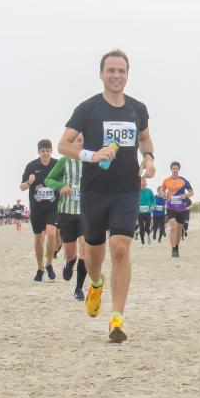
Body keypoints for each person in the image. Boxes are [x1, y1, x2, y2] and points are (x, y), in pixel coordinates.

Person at [58, 49, 155, 343]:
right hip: (95, 192)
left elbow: (145, 139)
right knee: (93, 255)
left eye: (121, 71)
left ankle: (117, 319)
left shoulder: (137, 108)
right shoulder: (88, 109)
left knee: (121, 249)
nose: (116, 76)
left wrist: (148, 159)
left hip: (127, 190)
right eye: (111, 71)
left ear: (128, 74)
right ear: (101, 74)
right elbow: (64, 145)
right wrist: (91, 154)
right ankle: (96, 283)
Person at [44, 136, 88, 300]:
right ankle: (69, 263)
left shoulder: (92, 159)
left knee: (85, 247)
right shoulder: (64, 161)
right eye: (78, 140)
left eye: (84, 140)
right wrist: (61, 186)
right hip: (66, 212)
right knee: (71, 253)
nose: (81, 142)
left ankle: (79, 289)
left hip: (86, 212)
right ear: (71, 143)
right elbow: (49, 179)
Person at [20, 139, 59, 281]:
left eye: (47, 150)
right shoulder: (31, 166)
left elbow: (66, 181)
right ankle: (40, 268)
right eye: (42, 151)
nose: (45, 153)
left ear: (51, 151)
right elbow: (22, 187)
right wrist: (29, 182)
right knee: (38, 240)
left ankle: (49, 264)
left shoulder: (57, 164)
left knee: (51, 234)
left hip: (53, 206)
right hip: (37, 208)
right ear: (38, 152)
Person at [161, 161, 193, 258]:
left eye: (176, 168)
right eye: (173, 168)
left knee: (179, 228)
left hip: (181, 208)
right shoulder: (166, 180)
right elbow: (162, 189)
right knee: (173, 227)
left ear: (179, 170)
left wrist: (185, 195)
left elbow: (191, 192)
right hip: (171, 207)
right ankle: (173, 249)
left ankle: (177, 246)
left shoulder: (183, 180)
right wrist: (163, 194)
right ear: (171, 169)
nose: (175, 170)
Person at [138, 177, 155, 245]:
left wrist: (153, 205)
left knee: (147, 227)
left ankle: (148, 237)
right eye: (142, 181)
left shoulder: (149, 191)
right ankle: (142, 242)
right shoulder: (137, 191)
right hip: (140, 212)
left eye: (144, 181)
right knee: (141, 227)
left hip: (148, 212)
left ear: (146, 183)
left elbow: (153, 200)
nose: (143, 183)